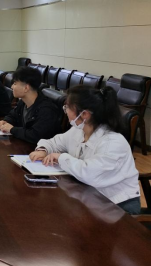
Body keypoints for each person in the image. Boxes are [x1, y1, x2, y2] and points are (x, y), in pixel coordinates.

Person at [29, 86, 141, 214]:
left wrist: (60, 157)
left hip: (117, 205)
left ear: (85, 114)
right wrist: (43, 150)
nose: (65, 111)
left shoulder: (113, 142)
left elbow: (89, 173)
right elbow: (55, 142)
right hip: (90, 196)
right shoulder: (79, 130)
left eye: (67, 107)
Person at [0, 67, 61, 143]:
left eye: (15, 83)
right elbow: (12, 115)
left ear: (26, 88)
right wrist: (5, 121)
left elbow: (36, 135)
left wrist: (12, 129)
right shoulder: (23, 102)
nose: (12, 87)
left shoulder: (47, 110)